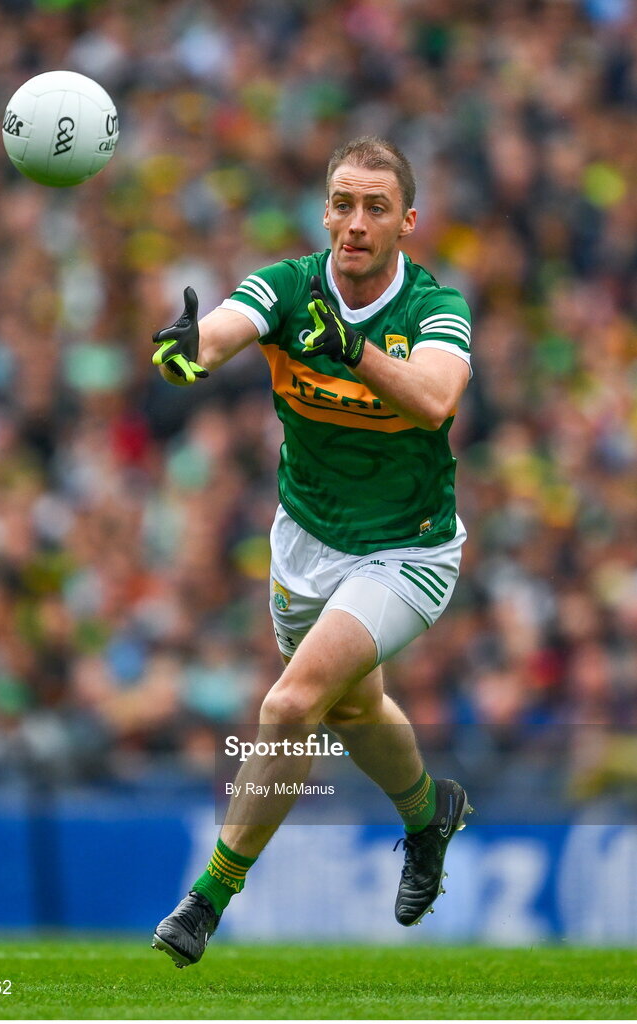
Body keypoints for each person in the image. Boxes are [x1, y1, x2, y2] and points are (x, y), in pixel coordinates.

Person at [150, 136, 473, 967]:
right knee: (354, 708)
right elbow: (226, 326)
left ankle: (208, 897)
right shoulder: (289, 286)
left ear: (407, 222)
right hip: (302, 542)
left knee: (291, 706)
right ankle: (427, 814)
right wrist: (192, 349)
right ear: (323, 211)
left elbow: (435, 400)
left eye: (373, 207)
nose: (354, 222)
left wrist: (350, 348)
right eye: (341, 203)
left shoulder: (434, 308)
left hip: (408, 550)